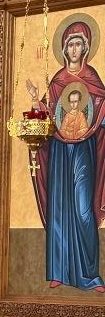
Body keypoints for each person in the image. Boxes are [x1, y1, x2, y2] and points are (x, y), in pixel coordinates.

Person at [27, 21, 105, 291]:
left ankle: (90, 274)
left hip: (84, 150)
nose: (73, 49)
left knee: (83, 210)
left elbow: (100, 110)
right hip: (60, 151)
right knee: (59, 208)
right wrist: (36, 101)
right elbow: (48, 114)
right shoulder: (58, 80)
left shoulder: (92, 78)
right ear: (64, 48)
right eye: (70, 44)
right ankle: (58, 270)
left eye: (78, 44)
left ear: (85, 48)